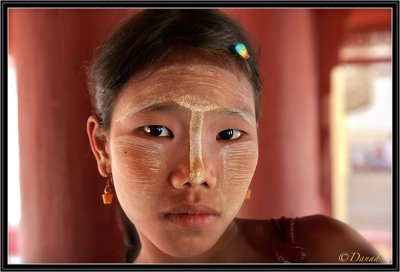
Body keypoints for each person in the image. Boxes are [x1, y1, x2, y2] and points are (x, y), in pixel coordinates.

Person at [86, 9, 383, 263]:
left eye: (228, 134)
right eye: (156, 131)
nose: (196, 173)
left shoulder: (324, 251)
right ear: (102, 147)